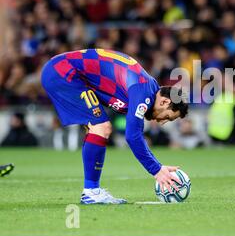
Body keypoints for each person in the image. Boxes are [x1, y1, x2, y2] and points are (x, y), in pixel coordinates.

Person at [40, 48, 188, 204]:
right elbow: (133, 136)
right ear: (165, 102)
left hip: (63, 70)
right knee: (101, 127)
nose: (162, 121)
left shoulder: (147, 88)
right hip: (63, 72)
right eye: (167, 117)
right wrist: (156, 170)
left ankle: (92, 191)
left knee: (99, 128)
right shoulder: (143, 92)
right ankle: (91, 192)